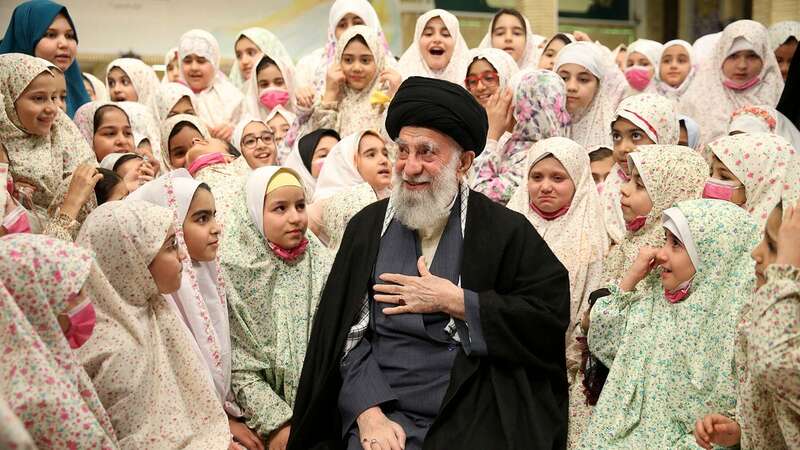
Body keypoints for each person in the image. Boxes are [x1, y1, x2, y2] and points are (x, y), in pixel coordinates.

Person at [288, 77, 570, 450]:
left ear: (464, 163)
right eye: (402, 151)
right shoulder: (367, 228)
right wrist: (367, 413)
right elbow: (344, 338)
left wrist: (458, 301)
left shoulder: (504, 231)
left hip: (472, 401)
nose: (410, 167)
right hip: (382, 406)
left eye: (427, 152)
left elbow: (547, 317)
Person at [580, 199, 760, 448]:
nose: (661, 253)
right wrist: (631, 278)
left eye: (676, 244)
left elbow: (742, 419)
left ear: (711, 255)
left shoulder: (733, 328)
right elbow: (602, 338)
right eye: (665, 240)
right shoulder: (653, 299)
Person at [76, 200, 232, 449]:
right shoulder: (114, 351)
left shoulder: (146, 306)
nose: (183, 254)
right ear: (131, 260)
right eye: (171, 246)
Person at [220, 166, 333, 450]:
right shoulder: (236, 268)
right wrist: (277, 423)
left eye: (300, 205)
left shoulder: (318, 258)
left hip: (324, 402)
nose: (295, 218)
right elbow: (240, 364)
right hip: (264, 416)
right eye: (280, 208)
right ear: (255, 213)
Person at [694, 199, 800, 449]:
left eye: (775, 247)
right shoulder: (765, 311)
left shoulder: (778, 328)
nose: (756, 253)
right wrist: (741, 430)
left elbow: (774, 364)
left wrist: (784, 275)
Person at [0, 234, 119, 449]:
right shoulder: (38, 398)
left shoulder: (53, 361)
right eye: (76, 292)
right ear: (37, 302)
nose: (86, 301)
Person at [507, 136, 607, 376]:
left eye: (558, 178)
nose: (545, 187)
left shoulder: (591, 236)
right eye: (536, 177)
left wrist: (570, 364)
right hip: (505, 351)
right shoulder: (508, 225)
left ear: (578, 181)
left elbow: (588, 303)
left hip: (558, 365)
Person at [0, 53, 98, 236]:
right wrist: (71, 204)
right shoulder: (2, 155)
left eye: (54, 97)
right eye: (38, 98)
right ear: (7, 99)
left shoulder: (62, 134)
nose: (53, 108)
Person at [602, 145, 708, 285]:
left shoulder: (666, 259)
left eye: (639, 185)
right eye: (629, 179)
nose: (624, 189)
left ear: (670, 196)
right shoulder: (632, 240)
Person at [471, 68, 570, 204]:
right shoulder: (515, 145)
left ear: (520, 110)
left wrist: (491, 135)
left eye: (507, 101)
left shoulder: (541, 157)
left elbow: (478, 194)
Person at [681, 20, 784, 146]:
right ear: (720, 56)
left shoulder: (780, 97)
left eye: (752, 56)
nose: (742, 65)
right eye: (733, 56)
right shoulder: (696, 99)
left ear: (765, 58)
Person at [601, 93, 680, 245]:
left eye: (636, 135)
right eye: (617, 137)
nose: (623, 148)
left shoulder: (679, 187)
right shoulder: (612, 182)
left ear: (664, 137)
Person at [306, 25, 401, 139]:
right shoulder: (330, 98)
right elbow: (319, 144)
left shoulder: (387, 95)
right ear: (338, 60)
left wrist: (395, 100)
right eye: (348, 60)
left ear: (379, 62)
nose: (356, 68)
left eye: (365, 60)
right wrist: (330, 94)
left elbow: (396, 143)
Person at [0, 0, 91, 117]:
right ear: (24, 39)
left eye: (69, 36)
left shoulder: (77, 95)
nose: (64, 44)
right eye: (51, 34)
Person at [308, 130, 392, 250]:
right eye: (371, 154)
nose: (384, 160)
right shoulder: (330, 202)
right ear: (350, 163)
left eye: (385, 154)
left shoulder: (394, 198)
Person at [295, 0, 395, 99]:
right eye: (342, 25)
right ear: (333, 30)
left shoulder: (390, 68)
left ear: (372, 26)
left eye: (357, 23)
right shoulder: (309, 66)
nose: (350, 30)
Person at [702, 132, 796, 228]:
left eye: (724, 176)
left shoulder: (776, 238)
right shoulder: (708, 218)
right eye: (711, 172)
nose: (710, 181)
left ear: (760, 185)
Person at [554, 41, 627, 147]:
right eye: (564, 78)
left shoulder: (612, 136)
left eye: (583, 79)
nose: (571, 87)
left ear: (598, 86)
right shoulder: (540, 127)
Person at [177, 29, 244, 141]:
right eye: (187, 61)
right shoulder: (172, 97)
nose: (194, 67)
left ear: (215, 62)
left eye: (201, 61)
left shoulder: (233, 97)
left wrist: (235, 130)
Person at [398, 10, 470, 84]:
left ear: (456, 43)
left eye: (445, 34)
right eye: (428, 34)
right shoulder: (400, 80)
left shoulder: (472, 82)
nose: (437, 39)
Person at [477, 8, 545, 69]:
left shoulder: (541, 75)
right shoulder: (476, 76)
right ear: (490, 40)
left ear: (527, 40)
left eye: (516, 33)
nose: (508, 38)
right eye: (500, 33)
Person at [230, 27, 293, 91]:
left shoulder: (297, 95)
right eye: (239, 56)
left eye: (251, 53)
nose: (244, 61)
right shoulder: (234, 97)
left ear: (269, 53)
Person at [283, 129, 341, 198]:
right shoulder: (292, 204)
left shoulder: (353, 192)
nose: (333, 159)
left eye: (337, 154)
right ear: (304, 165)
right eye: (323, 155)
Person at [243, 52, 297, 121]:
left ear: (289, 83)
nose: (272, 89)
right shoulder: (247, 119)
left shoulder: (304, 115)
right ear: (255, 88)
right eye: (264, 85)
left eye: (279, 83)